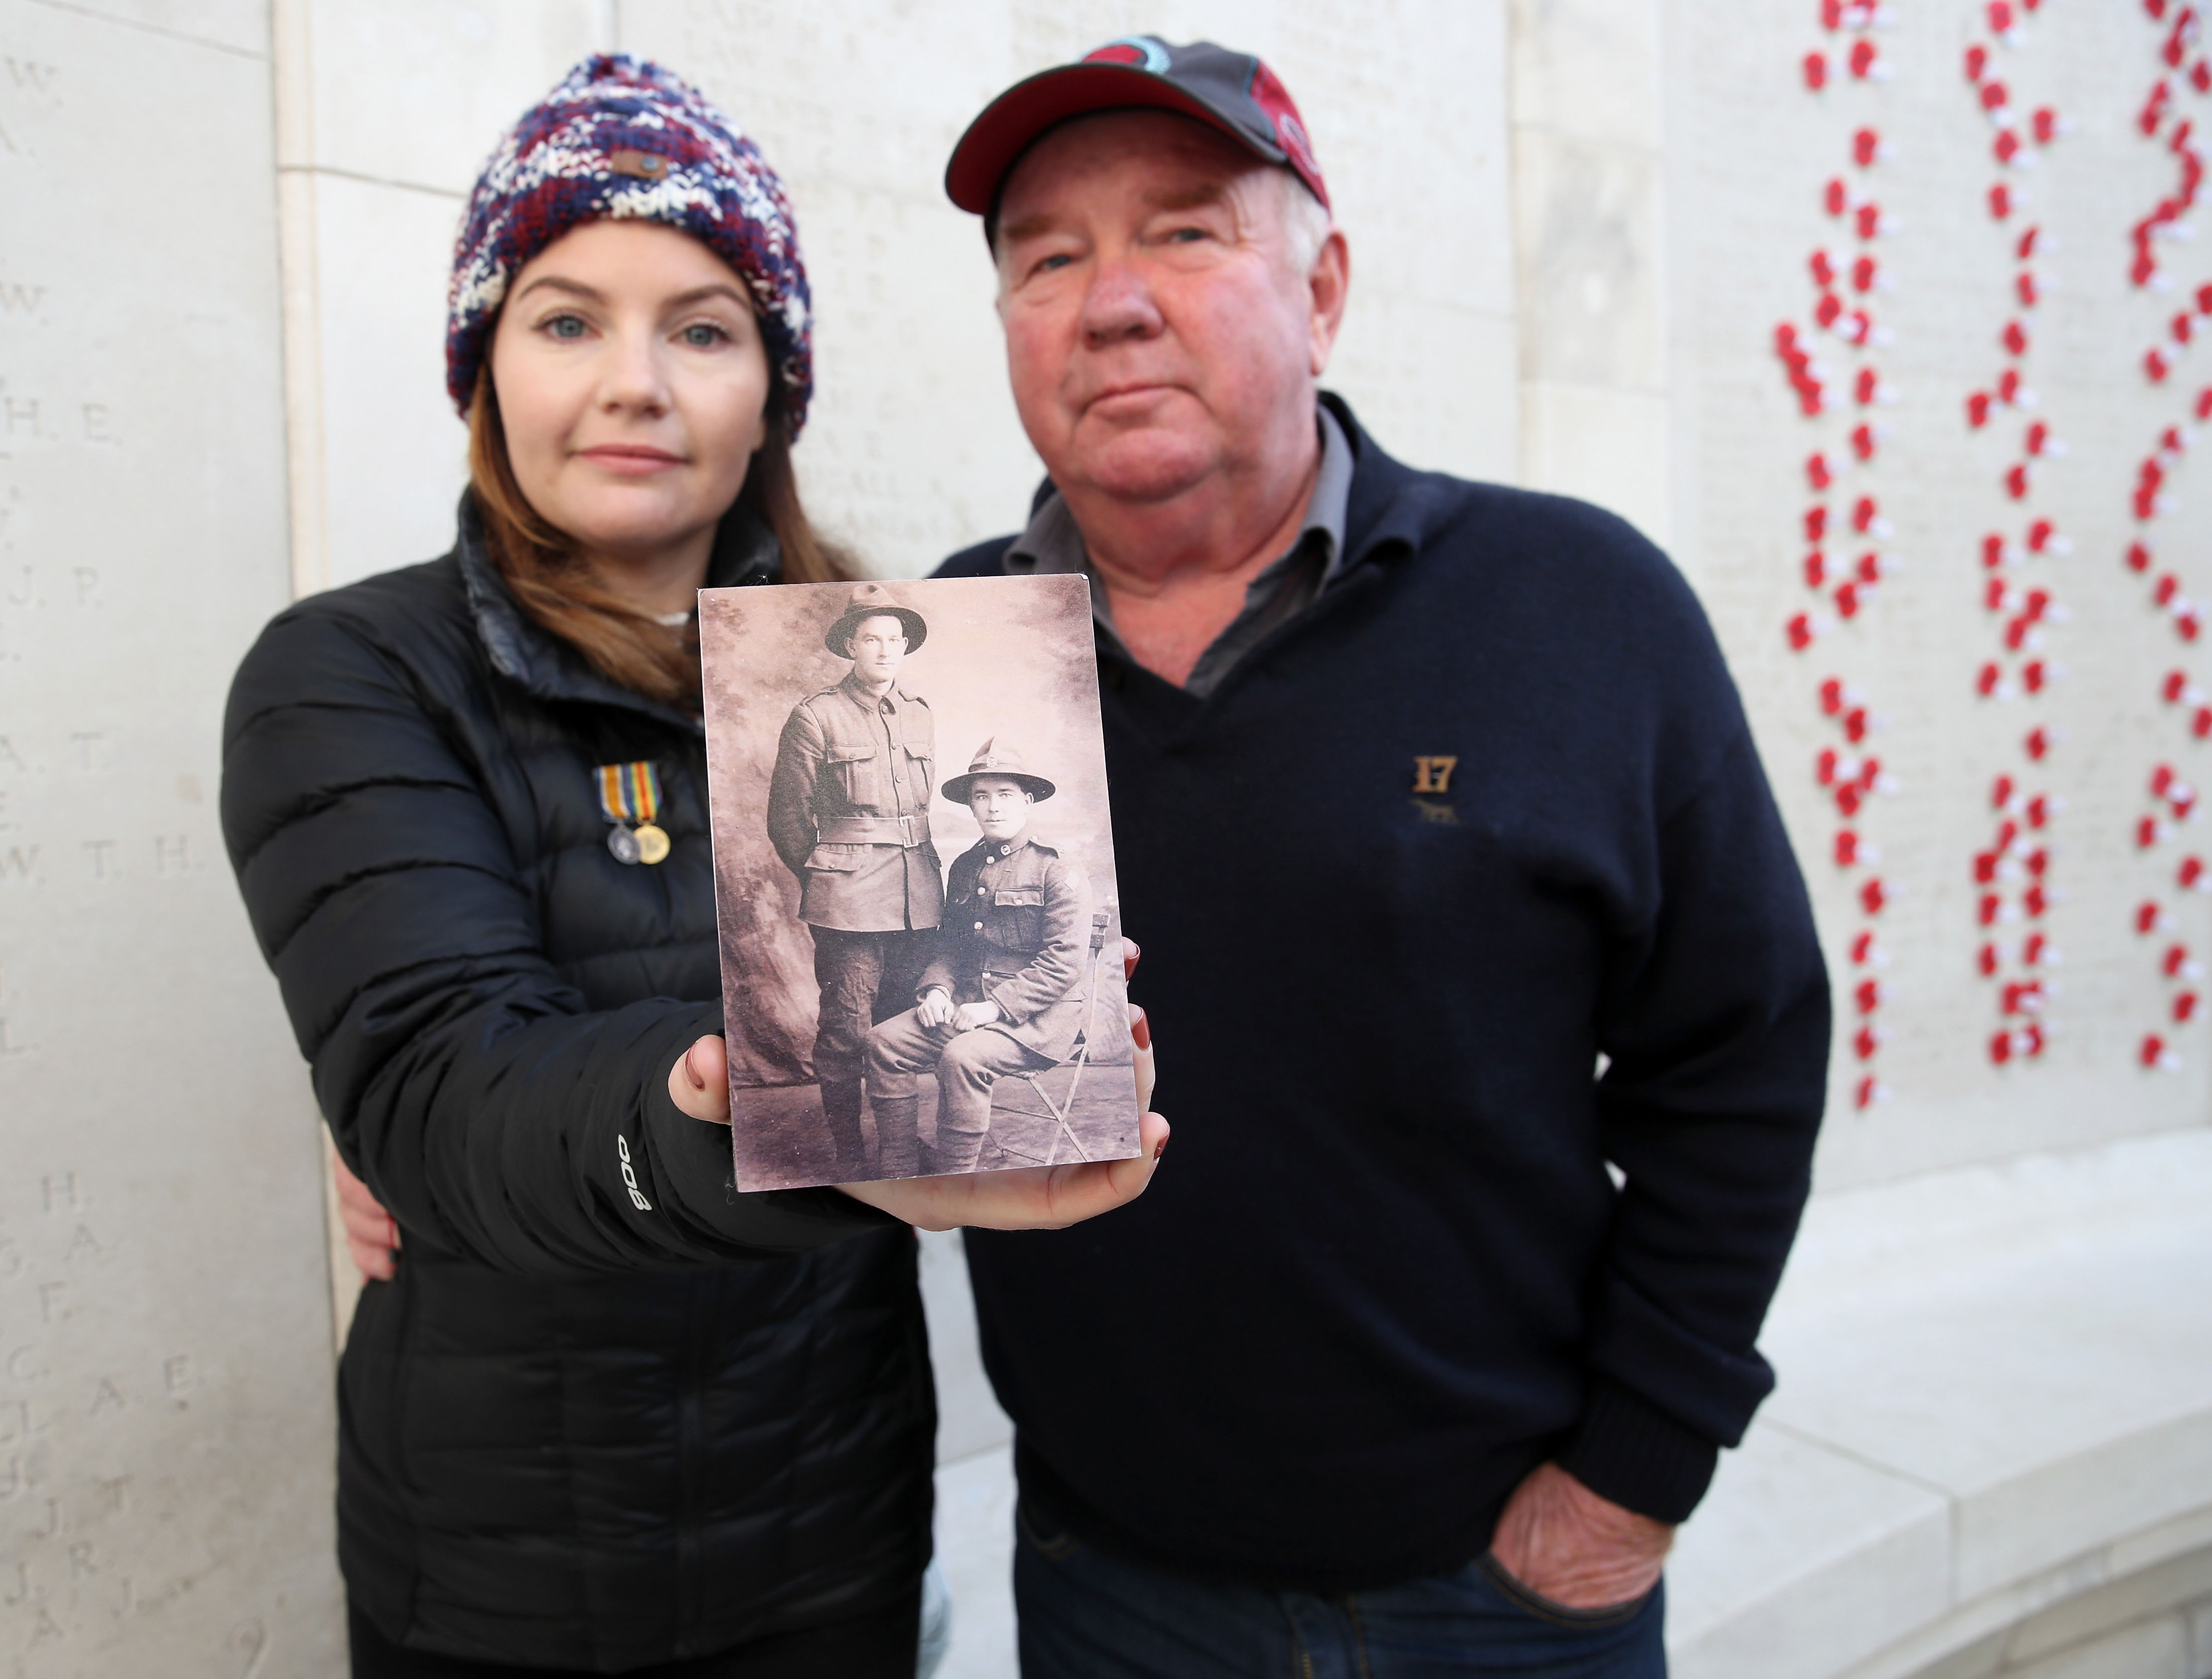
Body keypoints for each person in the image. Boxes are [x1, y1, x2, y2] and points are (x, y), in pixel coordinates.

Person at [221, 56, 1161, 1679]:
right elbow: (448, 1086)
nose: (635, 383)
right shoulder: (352, 673)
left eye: (704, 328)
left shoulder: (895, 648)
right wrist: (767, 1124)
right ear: (484, 363)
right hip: (506, 1569)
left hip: (833, 1529)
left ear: (772, 389)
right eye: (567, 317)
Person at [929, 37, 1832, 1678]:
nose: (1111, 299)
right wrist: (502, 1111)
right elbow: (860, 1037)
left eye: (1187, 233)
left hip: (1500, 1597)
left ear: (1323, 286)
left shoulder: (1580, 605)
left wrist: (1632, 1481)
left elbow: (1745, 1059)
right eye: (1045, 257)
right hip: (1101, 1584)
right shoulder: (950, 646)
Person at [765, 584, 945, 1177]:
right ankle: (849, 1152)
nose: (885, 650)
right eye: (872, 638)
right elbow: (788, 819)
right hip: (846, 902)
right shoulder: (815, 716)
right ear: (849, 645)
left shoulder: (920, 711)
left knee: (901, 1028)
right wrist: (830, 876)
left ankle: (897, 1146)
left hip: (917, 897)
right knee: (846, 1030)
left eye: (895, 639)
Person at [865, 743, 1089, 1176]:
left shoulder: (1057, 867)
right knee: (882, 1043)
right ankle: (899, 1165)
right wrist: (937, 989)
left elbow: (1065, 960)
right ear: (971, 805)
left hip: (1037, 1019)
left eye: (1004, 794)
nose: (993, 807)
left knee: (962, 1057)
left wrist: (997, 1007)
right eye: (982, 796)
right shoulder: (966, 867)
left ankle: (956, 1178)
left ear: (1026, 801)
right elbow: (951, 943)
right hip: (970, 1004)